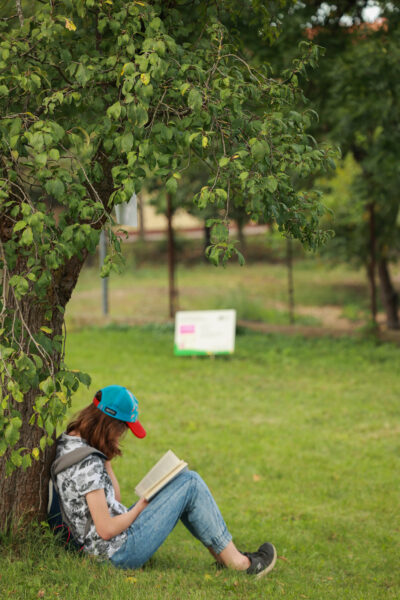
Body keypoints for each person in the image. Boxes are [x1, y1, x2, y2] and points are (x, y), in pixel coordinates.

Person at [54, 384, 277, 578]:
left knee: (184, 481)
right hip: (117, 554)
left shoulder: (72, 442)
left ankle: (226, 558)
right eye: (123, 429)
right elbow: (106, 529)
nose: (122, 436)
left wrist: (106, 458)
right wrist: (142, 505)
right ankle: (239, 564)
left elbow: (114, 501)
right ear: (110, 424)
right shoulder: (87, 464)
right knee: (190, 482)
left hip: (102, 548)